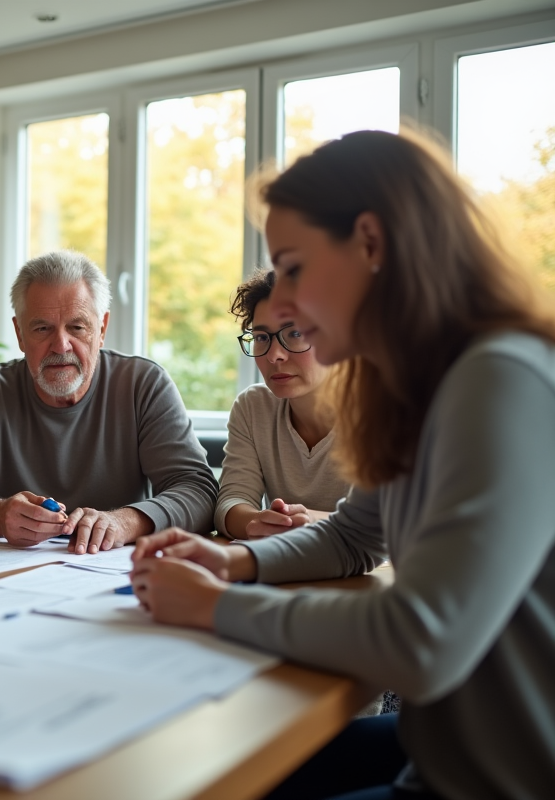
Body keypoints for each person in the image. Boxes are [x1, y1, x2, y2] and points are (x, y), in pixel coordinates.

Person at [131, 129, 555, 799]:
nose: (287, 302)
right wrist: (235, 563)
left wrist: (216, 609)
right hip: (436, 751)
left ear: (371, 242)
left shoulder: (501, 379)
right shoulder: (413, 389)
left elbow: (421, 643)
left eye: (294, 266)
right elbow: (355, 535)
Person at [0, 250, 217, 555]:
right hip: (2, 572)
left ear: (102, 329)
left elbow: (198, 491)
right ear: (20, 334)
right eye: (42, 328)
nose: (61, 345)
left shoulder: (143, 385)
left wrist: (125, 522)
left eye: (77, 327)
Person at [215, 269, 349, 539]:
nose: (275, 355)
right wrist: (258, 521)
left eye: (296, 333)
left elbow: (393, 523)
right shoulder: (254, 407)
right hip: (284, 566)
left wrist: (309, 520)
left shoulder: (385, 409)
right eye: (262, 337)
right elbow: (229, 505)